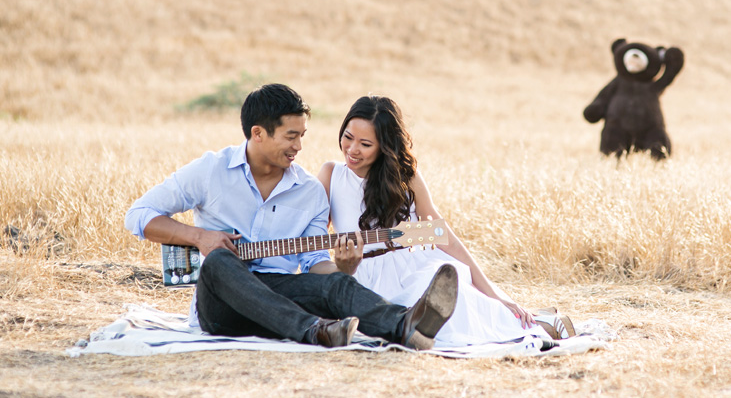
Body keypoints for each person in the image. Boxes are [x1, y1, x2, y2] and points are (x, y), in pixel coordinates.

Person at [124, 83, 458, 350]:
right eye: (291, 136)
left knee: (334, 285)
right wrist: (199, 237)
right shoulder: (211, 170)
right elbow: (139, 215)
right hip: (221, 303)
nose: (299, 146)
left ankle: (405, 325)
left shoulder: (310, 191)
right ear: (258, 133)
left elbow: (315, 260)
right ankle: (314, 331)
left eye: (302, 136)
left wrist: (344, 267)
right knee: (219, 263)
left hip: (283, 296)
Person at [318, 95, 551, 348]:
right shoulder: (331, 174)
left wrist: (494, 294)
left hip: (412, 269)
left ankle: (545, 323)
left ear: (384, 146)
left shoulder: (406, 177)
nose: (352, 150)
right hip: (359, 274)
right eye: (348, 137)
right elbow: (314, 241)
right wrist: (339, 271)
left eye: (365, 144)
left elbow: (443, 236)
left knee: (450, 295)